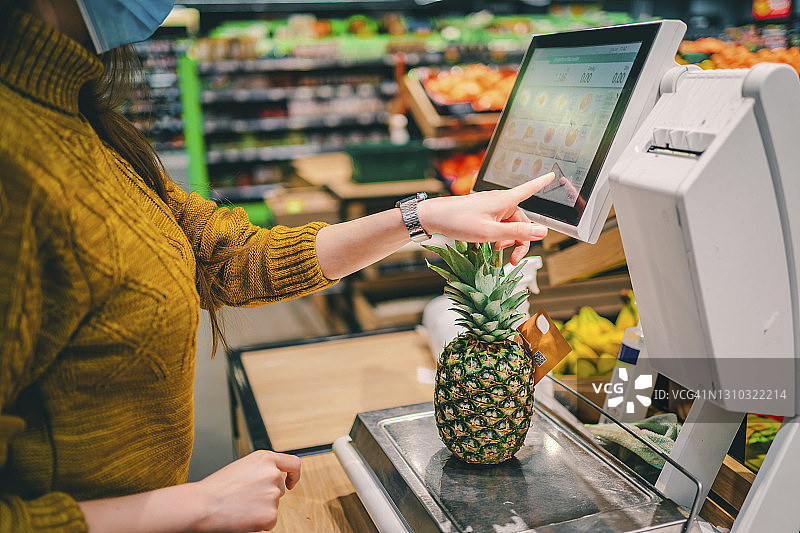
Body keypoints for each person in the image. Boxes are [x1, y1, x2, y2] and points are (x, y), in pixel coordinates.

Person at [0, 1, 554, 531]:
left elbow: (225, 257)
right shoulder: (15, 157)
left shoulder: (81, 115)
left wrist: (421, 216)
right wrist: (195, 505)